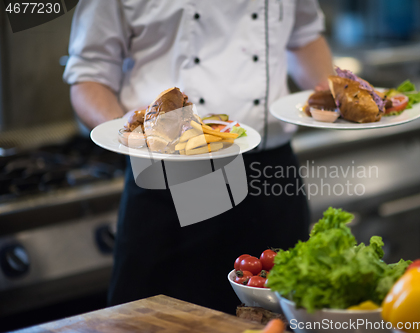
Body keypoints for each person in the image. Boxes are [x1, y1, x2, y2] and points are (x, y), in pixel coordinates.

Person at [64, 0, 334, 314]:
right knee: (154, 320)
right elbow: (88, 75)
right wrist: (131, 135)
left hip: (270, 173)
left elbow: (304, 37)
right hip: (170, 176)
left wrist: (336, 96)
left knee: (278, 317)